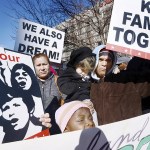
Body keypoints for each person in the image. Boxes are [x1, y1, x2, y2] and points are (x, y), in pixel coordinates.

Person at [90, 44, 150, 125]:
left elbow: (144, 85)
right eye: (101, 59)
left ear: (113, 62)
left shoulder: (123, 81)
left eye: (108, 60)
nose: (104, 64)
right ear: (94, 60)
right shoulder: (85, 86)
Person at [32, 53, 61, 135]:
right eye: (38, 65)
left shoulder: (59, 81)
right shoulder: (28, 83)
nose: (42, 68)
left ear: (49, 65)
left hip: (56, 130)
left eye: (44, 64)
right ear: (33, 67)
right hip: (35, 131)